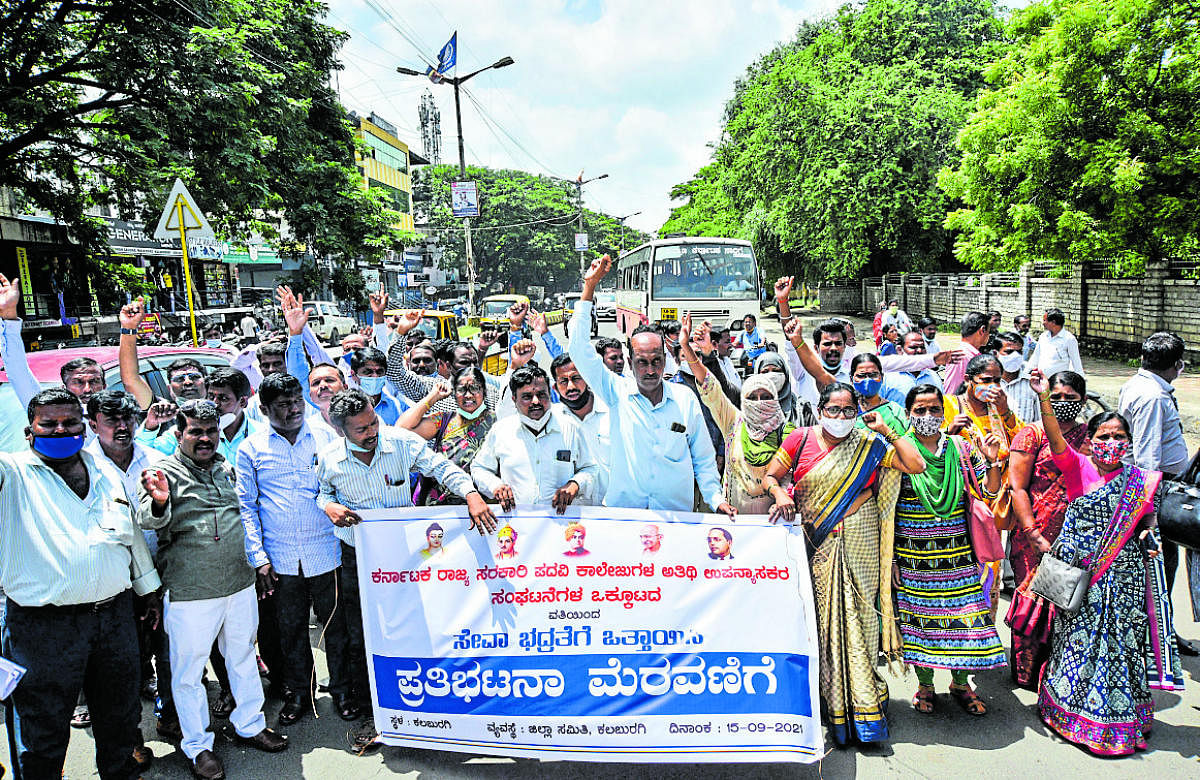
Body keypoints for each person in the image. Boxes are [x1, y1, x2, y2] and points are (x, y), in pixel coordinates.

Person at [316, 389, 498, 748]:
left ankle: (431, 708)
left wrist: (472, 494)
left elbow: (442, 467)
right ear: (341, 432)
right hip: (360, 560)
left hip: (407, 559)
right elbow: (321, 492)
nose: (372, 432)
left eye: (374, 422)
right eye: (361, 429)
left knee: (419, 625)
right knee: (364, 634)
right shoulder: (330, 459)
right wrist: (328, 507)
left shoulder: (400, 443)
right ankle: (376, 712)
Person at [1, 388, 161, 780]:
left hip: (115, 617)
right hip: (42, 628)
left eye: (69, 422)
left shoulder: (103, 469)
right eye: (49, 424)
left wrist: (148, 591)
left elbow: (130, 536)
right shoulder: (12, 473)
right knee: (41, 731)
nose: (60, 430)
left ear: (83, 427)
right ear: (29, 431)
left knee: (120, 718)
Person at [762, 383, 925, 745]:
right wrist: (779, 493)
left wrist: (888, 430)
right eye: (832, 410)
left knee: (863, 620)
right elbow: (770, 477)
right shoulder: (799, 439)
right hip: (818, 542)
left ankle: (864, 703)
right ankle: (831, 702)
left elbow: (915, 463)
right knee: (824, 622)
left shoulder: (869, 443)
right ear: (820, 409)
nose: (839, 417)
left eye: (848, 411)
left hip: (861, 537)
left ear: (857, 412)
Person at [138, 400, 288, 779]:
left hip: (238, 585)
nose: (204, 439)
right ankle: (198, 747)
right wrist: (158, 502)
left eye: (210, 432)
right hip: (191, 592)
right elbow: (145, 518)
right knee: (188, 673)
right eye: (195, 432)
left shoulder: (226, 468)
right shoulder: (162, 473)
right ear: (178, 435)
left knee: (241, 657)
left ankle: (250, 725)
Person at [1034, 386, 1180, 756]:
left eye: (1119, 437)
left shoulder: (1141, 480)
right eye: (1104, 436)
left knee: (1119, 645)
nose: (1112, 442)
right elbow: (1053, 434)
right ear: (1090, 441)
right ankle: (1068, 709)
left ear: (1129, 442)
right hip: (1083, 577)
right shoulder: (1077, 466)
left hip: (1124, 576)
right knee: (1078, 642)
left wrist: (1148, 533)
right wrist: (1043, 399)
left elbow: (1145, 519)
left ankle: (1116, 718)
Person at [570, 255, 735, 517]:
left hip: (675, 521)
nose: (649, 370)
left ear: (665, 360)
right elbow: (578, 349)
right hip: (625, 518)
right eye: (642, 362)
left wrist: (716, 499)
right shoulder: (616, 392)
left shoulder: (685, 399)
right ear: (629, 362)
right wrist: (589, 288)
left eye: (656, 361)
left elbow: (703, 459)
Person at [236, 374, 356, 725]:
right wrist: (258, 558)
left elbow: (340, 489)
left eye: (296, 402)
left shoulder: (327, 439)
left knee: (336, 628)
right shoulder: (252, 448)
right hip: (281, 559)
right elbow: (247, 507)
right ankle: (299, 692)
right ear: (264, 409)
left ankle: (342, 691)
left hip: (327, 553)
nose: (292, 410)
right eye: (282, 405)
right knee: (290, 630)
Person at [895, 384, 1006, 716]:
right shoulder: (899, 451)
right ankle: (925, 685)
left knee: (965, 622)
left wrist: (992, 461)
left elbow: (990, 492)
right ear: (908, 414)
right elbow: (886, 507)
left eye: (934, 410)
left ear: (944, 414)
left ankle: (960, 683)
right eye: (920, 410)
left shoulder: (960, 447)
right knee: (922, 625)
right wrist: (892, 559)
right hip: (914, 558)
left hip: (958, 557)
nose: (928, 416)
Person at [84, 389, 166, 750]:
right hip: (112, 580)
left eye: (127, 419)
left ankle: (171, 717)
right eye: (111, 420)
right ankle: (131, 736)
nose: (122, 427)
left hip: (161, 572)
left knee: (168, 653)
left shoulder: (157, 458)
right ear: (93, 424)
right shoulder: (81, 465)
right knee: (121, 664)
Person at [1118, 331, 1199, 655]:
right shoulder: (1153, 396)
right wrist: (1147, 514)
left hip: (1156, 489)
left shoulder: (1140, 386)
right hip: (1157, 490)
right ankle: (1156, 636)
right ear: (1177, 364)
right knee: (1161, 566)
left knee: (1162, 565)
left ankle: (1156, 633)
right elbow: (1148, 457)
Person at [1007, 369, 1089, 689]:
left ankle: (1055, 672)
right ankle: (1026, 671)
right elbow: (1018, 488)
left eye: (1071, 398)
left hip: (1072, 536)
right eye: (1057, 397)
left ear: (1082, 400)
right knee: (1032, 602)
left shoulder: (1088, 435)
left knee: (1063, 605)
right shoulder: (1031, 434)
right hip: (1035, 535)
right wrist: (1033, 533)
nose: (1064, 403)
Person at [680, 316, 795, 514]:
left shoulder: (787, 431)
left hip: (773, 522)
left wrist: (781, 498)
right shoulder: (734, 422)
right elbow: (712, 387)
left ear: (775, 398)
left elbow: (789, 476)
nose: (759, 402)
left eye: (766, 396)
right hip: (733, 519)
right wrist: (688, 348)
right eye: (753, 396)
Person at [470, 365, 598, 513]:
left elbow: (590, 468)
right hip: (517, 526)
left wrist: (575, 484)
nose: (536, 401)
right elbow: (479, 468)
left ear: (550, 394)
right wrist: (495, 486)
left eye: (541, 394)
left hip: (562, 524)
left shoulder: (570, 428)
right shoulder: (501, 430)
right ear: (514, 399)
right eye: (527, 397)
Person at [398, 368, 497, 506]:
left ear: (484, 392)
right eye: (462, 390)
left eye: (474, 388)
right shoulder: (444, 419)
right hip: (440, 507)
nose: (468, 395)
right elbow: (401, 431)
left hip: (484, 506)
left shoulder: (497, 422)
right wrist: (432, 397)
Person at [550, 353, 611, 503]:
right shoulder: (552, 420)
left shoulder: (613, 412)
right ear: (555, 388)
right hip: (574, 513)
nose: (571, 387)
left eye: (576, 378)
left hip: (616, 509)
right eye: (563, 381)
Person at [996, 330, 1040, 423]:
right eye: (1009, 352)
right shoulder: (987, 384)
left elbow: (1039, 422)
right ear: (996, 354)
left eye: (1019, 352)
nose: (1015, 356)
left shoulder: (1033, 385)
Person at [886, 331, 946, 400]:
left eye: (922, 347)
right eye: (913, 347)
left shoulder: (934, 377)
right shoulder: (887, 378)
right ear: (900, 350)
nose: (920, 351)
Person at [943, 311, 991, 395]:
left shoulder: (972, 355)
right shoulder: (962, 357)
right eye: (989, 331)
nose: (989, 335)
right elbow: (951, 393)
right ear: (982, 330)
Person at [1029, 308, 1084, 378]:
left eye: (1044, 320)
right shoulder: (1043, 337)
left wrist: (1081, 381)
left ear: (1053, 322)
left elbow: (1076, 363)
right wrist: (1026, 373)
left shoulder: (1069, 339)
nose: (1043, 323)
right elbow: (1035, 357)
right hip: (1042, 380)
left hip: (1058, 383)